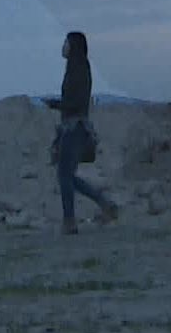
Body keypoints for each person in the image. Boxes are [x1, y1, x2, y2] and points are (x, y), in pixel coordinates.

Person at [44, 31, 119, 235]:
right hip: (75, 127)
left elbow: (75, 103)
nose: (63, 46)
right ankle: (104, 203)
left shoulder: (77, 69)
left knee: (65, 175)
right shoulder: (78, 68)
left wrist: (55, 104)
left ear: (73, 46)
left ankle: (70, 221)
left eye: (66, 42)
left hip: (74, 128)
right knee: (67, 176)